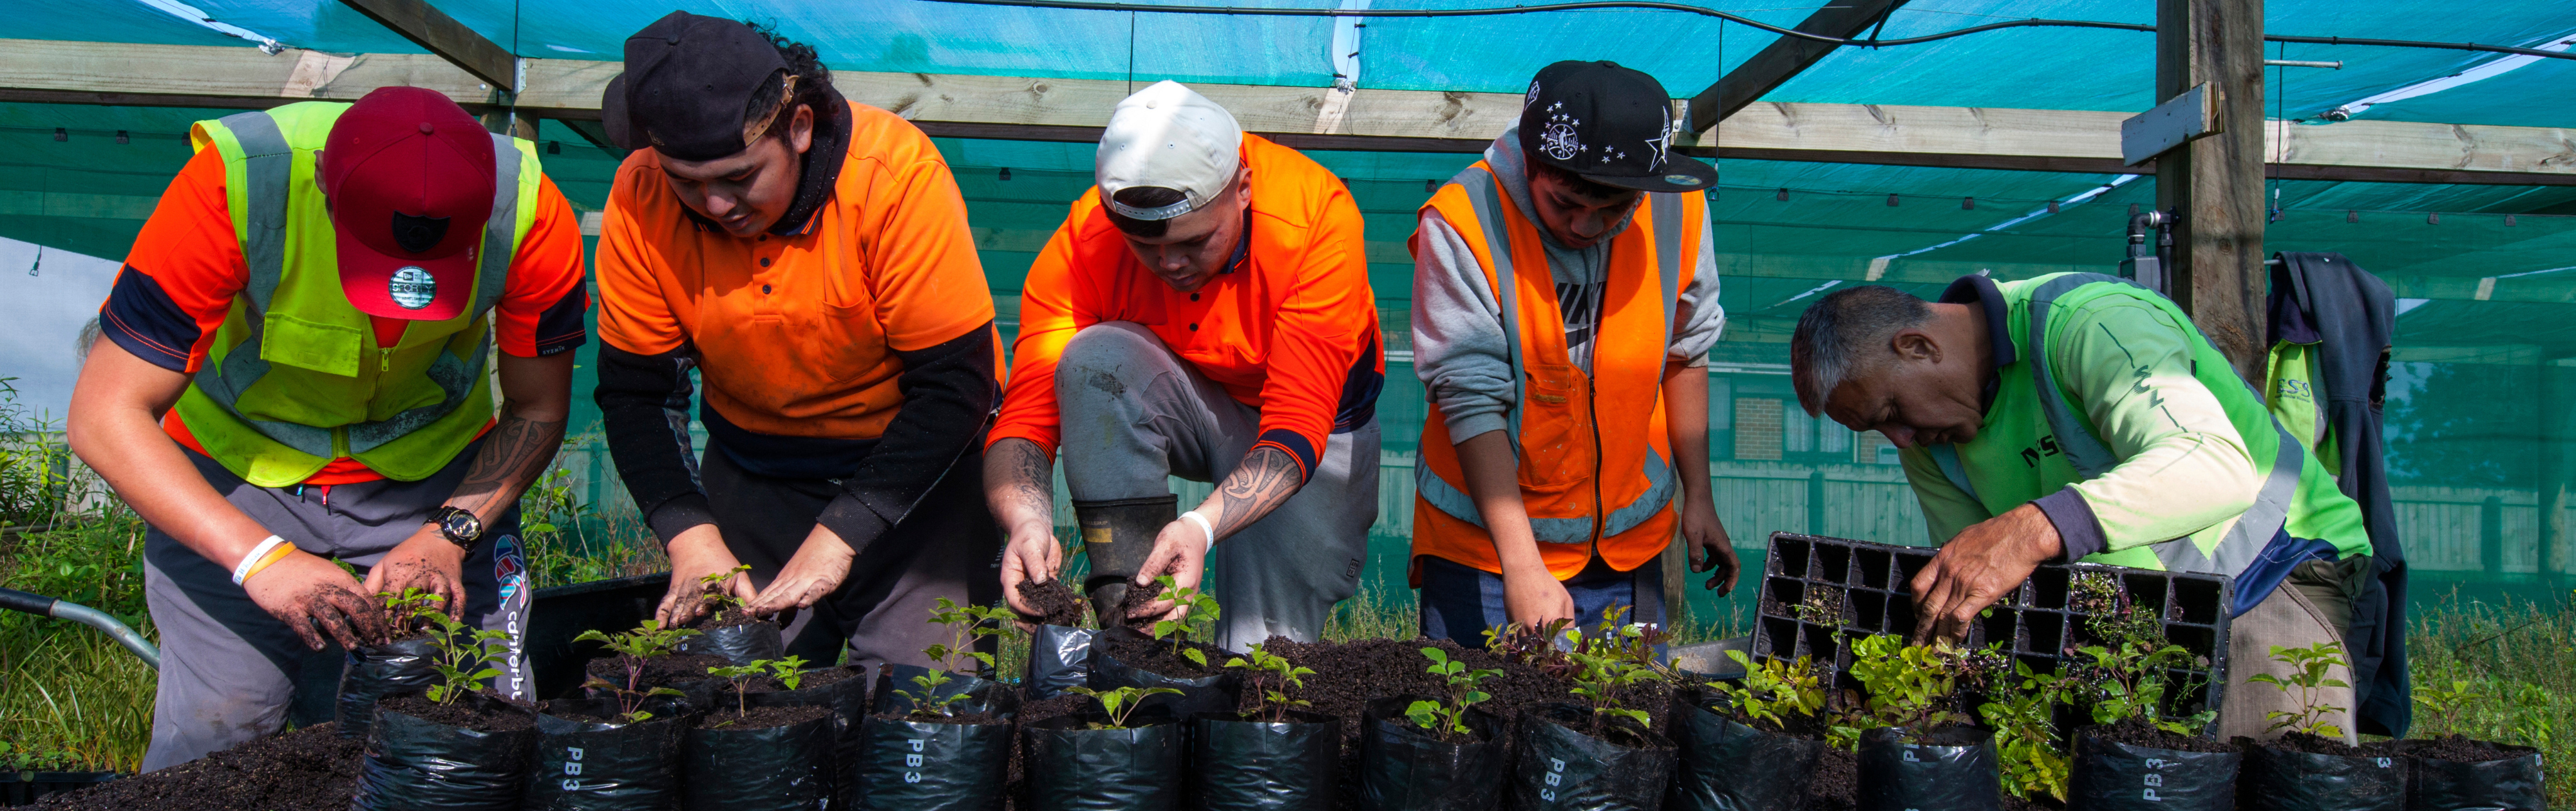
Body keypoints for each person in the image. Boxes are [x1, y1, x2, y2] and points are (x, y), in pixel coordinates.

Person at [68, 87, 587, 769]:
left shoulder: (526, 211)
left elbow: (537, 409)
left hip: (432, 479)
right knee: (215, 733)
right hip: (238, 472)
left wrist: (449, 534)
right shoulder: (236, 183)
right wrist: (261, 560)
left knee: (474, 727)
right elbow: (105, 414)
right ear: (322, 183)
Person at [1788, 275, 2377, 742]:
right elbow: (1977, 589)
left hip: (2273, 565)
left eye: (1890, 412)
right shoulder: (1933, 441)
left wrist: (2036, 527)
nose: (1901, 441)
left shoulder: (2089, 323)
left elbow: (2217, 469)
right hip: (2144, 608)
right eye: (1878, 431)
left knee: (2268, 772)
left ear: (1917, 347)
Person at [591, 12, 1001, 668]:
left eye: (738, 176)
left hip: (917, 482)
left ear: (800, 128)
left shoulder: (891, 174)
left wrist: (842, 533)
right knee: (743, 697)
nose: (716, 205)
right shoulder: (640, 196)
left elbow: (956, 385)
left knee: (925, 708)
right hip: (755, 473)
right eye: (686, 183)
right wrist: (690, 537)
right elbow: (637, 394)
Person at [987, 80, 1384, 649]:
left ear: (1242, 188)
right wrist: (1025, 521)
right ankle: (1135, 627)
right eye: (1144, 246)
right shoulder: (1086, 240)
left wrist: (1200, 525)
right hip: (1195, 400)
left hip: (1315, 426)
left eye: (1195, 241)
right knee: (1096, 358)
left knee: (1265, 655)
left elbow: (1297, 425)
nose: (1169, 264)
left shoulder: (1315, 220)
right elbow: (1026, 417)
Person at [1408, 61, 1739, 641]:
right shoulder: (1464, 222)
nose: (1585, 226)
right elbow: (1470, 397)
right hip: (1486, 552)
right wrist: (1522, 566)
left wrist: (1700, 498)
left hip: (1625, 547)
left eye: (1613, 209)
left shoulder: (1678, 208)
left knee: (1619, 720)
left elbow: (1687, 349)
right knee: (1472, 720)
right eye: (1564, 203)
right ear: (1532, 164)